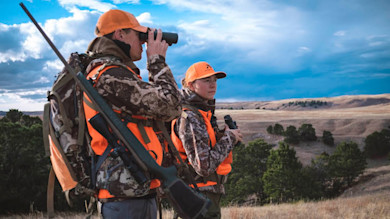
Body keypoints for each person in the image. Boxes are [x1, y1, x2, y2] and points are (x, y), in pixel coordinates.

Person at [82, 9, 182, 219]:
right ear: (120, 35)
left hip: (133, 191)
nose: (143, 43)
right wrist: (156, 61)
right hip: (124, 197)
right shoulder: (109, 76)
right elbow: (171, 106)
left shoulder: (115, 73)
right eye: (139, 35)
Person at [171, 61, 243, 218]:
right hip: (198, 196)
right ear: (191, 85)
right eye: (206, 80)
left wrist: (222, 137)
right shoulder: (190, 116)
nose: (213, 85)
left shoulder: (203, 113)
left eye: (214, 80)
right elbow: (203, 166)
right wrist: (229, 138)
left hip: (203, 195)